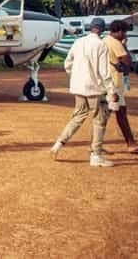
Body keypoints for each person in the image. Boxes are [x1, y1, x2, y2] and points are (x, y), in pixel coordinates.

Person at [50, 17, 118, 167]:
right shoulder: (101, 45)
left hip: (78, 87)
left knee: (77, 117)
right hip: (94, 88)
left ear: (90, 28)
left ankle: (58, 145)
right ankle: (96, 155)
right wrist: (111, 90)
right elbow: (104, 72)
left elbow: (67, 63)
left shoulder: (78, 42)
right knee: (99, 120)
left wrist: (76, 77)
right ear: (102, 30)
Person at [104, 19, 138, 154]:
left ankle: (130, 142)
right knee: (119, 114)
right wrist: (124, 46)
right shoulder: (116, 43)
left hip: (107, 81)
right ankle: (131, 144)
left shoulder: (105, 40)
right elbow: (128, 62)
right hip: (114, 83)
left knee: (113, 113)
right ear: (119, 31)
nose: (125, 35)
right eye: (124, 32)